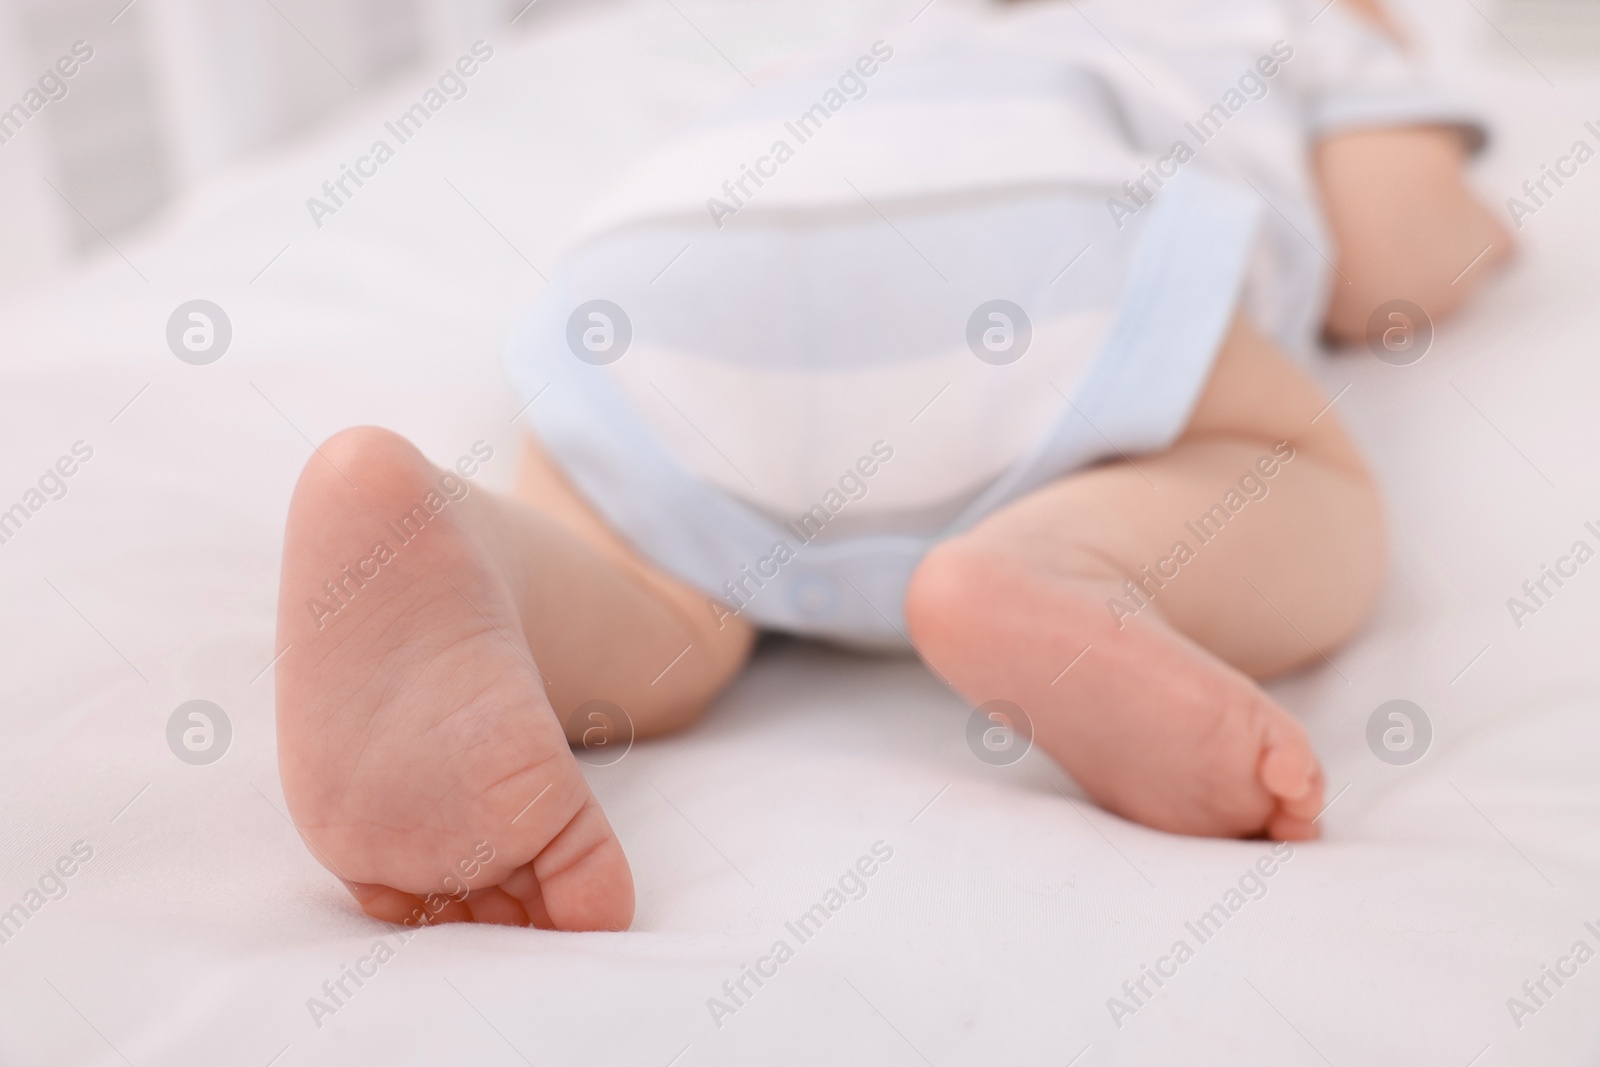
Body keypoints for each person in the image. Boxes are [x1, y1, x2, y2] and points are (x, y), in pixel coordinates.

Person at [273, 0, 1510, 930]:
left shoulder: (874, 51)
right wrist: (1467, 211)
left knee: (648, 595)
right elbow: (1393, 263)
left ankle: (455, 544)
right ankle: (1052, 563)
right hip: (1043, 253)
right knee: (1294, 470)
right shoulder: (1283, 25)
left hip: (669, 267)